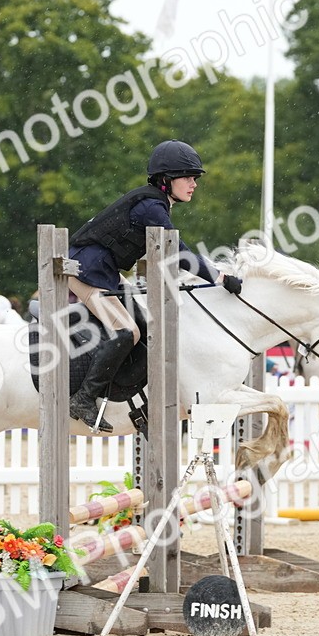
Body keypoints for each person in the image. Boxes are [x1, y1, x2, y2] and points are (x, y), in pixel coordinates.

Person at [67, 139, 242, 432]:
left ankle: (138, 404)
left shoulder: (155, 204)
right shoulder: (151, 207)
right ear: (166, 180)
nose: (193, 184)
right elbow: (179, 252)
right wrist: (220, 278)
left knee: (148, 328)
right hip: (87, 271)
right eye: (187, 177)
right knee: (127, 332)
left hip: (104, 271)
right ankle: (83, 398)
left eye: (194, 178)